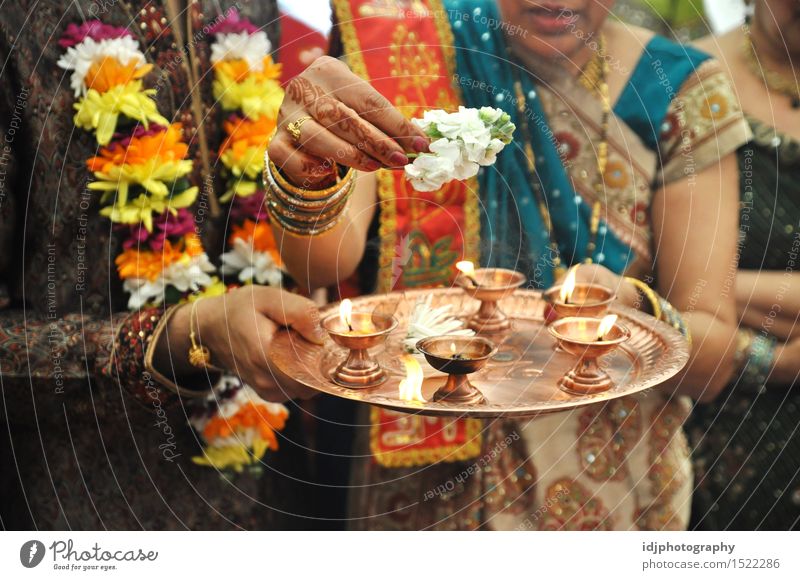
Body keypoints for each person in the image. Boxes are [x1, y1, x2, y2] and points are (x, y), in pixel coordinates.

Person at [267, 0, 750, 530]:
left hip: (610, 486)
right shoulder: (407, 46)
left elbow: (714, 357)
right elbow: (320, 263)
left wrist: (632, 312)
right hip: (420, 487)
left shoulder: (680, 89)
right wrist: (305, 166)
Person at [0, 0, 323, 530]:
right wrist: (174, 338)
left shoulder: (247, 6)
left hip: (251, 479)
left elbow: (272, 215)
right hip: (71, 507)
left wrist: (323, 176)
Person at [686, 0, 800, 530]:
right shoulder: (682, 84)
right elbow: (634, 285)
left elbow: (674, 291)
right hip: (715, 413)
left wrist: (704, 290)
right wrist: (768, 361)